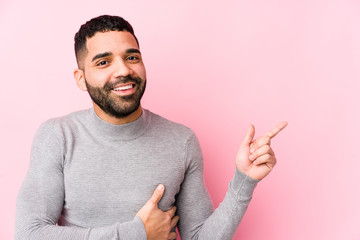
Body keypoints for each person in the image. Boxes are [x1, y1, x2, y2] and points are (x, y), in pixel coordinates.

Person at [15, 15, 287, 240]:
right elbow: (29, 233)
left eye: (132, 57)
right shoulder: (57, 136)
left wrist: (244, 180)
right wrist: (137, 233)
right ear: (81, 79)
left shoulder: (181, 141)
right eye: (103, 62)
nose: (123, 70)